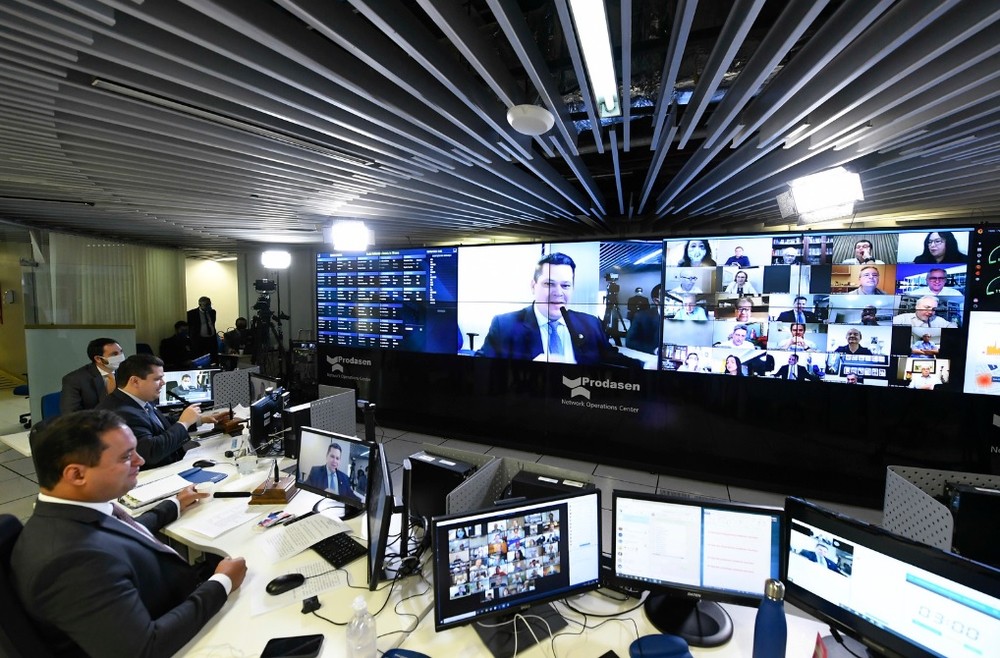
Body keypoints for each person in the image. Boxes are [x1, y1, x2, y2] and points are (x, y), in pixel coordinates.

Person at [10, 410, 247, 657]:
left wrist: (174, 505)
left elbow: (120, 532)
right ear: (77, 474)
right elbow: (143, 649)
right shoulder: (71, 562)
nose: (140, 461)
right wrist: (222, 583)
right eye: (126, 456)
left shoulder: (71, 513)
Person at [476, 253, 636, 366]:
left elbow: (612, 359)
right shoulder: (504, 326)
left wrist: (645, 366)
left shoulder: (591, 324)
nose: (558, 293)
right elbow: (479, 371)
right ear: (533, 286)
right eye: (549, 284)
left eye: (565, 285)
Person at [96, 354, 228, 469]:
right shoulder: (121, 412)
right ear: (135, 381)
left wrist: (200, 420)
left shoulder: (139, 399)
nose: (163, 383)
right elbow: (151, 452)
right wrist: (184, 424)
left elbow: (162, 424)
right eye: (157, 379)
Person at [59, 337, 124, 416]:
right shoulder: (74, 379)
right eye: (114, 354)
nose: (121, 357)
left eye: (121, 352)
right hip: (95, 421)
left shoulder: (128, 372)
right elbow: (71, 414)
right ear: (98, 359)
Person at [625, 284, 661, 354]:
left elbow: (647, 306)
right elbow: (630, 341)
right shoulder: (641, 316)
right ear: (656, 300)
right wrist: (655, 350)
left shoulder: (681, 314)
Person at [892, 296, 958, 328]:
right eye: (927, 307)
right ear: (917, 306)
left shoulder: (939, 320)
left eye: (934, 309)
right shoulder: (902, 319)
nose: (930, 312)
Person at [187, 296, 218, 361]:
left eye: (209, 304)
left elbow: (212, 324)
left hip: (211, 339)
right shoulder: (191, 313)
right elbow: (189, 326)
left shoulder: (212, 312)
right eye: (206, 304)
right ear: (200, 304)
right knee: (199, 358)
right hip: (198, 339)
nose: (208, 306)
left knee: (213, 357)